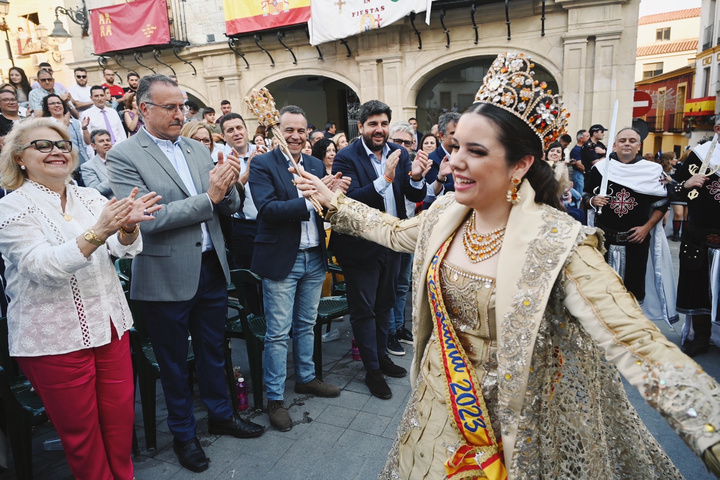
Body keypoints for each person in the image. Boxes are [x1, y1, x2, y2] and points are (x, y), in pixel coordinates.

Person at [294, 51, 720, 480]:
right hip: (441, 406)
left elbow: (637, 342)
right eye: (456, 145)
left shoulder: (559, 243)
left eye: (475, 151)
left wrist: (710, 430)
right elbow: (396, 232)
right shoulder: (445, 212)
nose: (455, 161)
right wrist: (333, 201)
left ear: (520, 164)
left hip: (519, 419)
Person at [106, 74, 263, 473]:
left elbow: (224, 206)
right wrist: (209, 197)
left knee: (214, 350)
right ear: (144, 109)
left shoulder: (196, 147)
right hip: (163, 274)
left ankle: (221, 415)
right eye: (171, 107)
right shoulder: (124, 155)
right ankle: (183, 435)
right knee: (174, 362)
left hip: (210, 267)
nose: (181, 114)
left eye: (184, 107)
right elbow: (148, 219)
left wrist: (229, 189)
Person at [0, 118, 161, 480]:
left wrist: (128, 227)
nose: (56, 151)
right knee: (83, 440)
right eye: (42, 145)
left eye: (62, 145)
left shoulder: (89, 196)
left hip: (109, 327)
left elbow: (121, 250)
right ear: (19, 159)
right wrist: (99, 231)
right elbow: (42, 267)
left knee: (120, 429)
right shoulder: (11, 208)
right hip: (54, 340)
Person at [249, 105, 342, 431]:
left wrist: (332, 196)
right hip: (282, 260)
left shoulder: (315, 164)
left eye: (301, 130)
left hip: (314, 257)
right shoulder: (262, 164)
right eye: (289, 130)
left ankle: (305, 378)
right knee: (277, 334)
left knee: (306, 324)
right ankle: (274, 399)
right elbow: (267, 209)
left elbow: (326, 210)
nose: (296, 136)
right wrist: (309, 201)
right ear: (278, 131)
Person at [330, 99, 430, 400]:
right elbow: (352, 204)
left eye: (384, 123)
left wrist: (416, 177)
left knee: (385, 304)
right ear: (361, 127)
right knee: (364, 310)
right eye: (373, 124)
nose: (379, 129)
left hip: (392, 242)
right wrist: (384, 178)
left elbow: (410, 195)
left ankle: (382, 356)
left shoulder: (399, 153)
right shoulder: (346, 158)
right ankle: (372, 370)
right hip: (360, 246)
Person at [584, 128, 675, 322]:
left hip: (636, 239)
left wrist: (646, 228)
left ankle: (633, 332)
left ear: (639, 145)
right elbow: (584, 196)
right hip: (604, 239)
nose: (627, 143)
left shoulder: (651, 171)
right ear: (615, 145)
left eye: (632, 140)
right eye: (622, 140)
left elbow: (661, 204)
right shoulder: (601, 169)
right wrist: (593, 201)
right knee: (603, 289)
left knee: (633, 290)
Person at [672, 119, 720, 357]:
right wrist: (688, 182)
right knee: (698, 289)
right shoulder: (700, 155)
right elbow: (674, 189)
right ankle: (701, 337)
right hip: (700, 236)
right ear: (718, 129)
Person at [41, 93, 90, 167]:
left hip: (82, 163)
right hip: (63, 163)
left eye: (59, 102)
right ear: (47, 107)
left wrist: (84, 128)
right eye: (52, 103)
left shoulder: (75, 122)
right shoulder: (46, 124)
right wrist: (64, 126)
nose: (57, 105)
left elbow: (88, 142)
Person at [81, 129, 114, 199]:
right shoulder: (87, 167)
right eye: (101, 141)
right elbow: (94, 191)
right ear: (93, 146)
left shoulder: (122, 160)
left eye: (108, 140)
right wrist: (116, 177)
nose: (106, 143)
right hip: (112, 204)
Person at [569, 129, 589, 195]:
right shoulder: (576, 150)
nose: (589, 138)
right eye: (587, 136)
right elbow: (579, 165)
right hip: (579, 174)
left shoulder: (585, 148)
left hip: (583, 175)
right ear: (581, 138)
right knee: (578, 195)